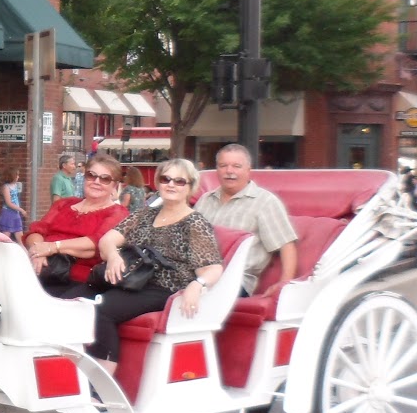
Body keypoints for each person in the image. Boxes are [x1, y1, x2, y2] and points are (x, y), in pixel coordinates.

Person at [70, 158, 224, 365]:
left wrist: (198, 285)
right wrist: (113, 255)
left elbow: (213, 267)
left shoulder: (195, 223)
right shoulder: (144, 214)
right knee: (71, 303)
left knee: (101, 311)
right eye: (166, 178)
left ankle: (100, 386)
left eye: (179, 181)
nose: (171, 184)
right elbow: (108, 240)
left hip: (161, 286)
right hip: (130, 278)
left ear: (190, 188)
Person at [193, 143, 298, 289]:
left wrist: (285, 283)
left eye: (236, 166)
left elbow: (286, 245)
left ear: (248, 170)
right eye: (223, 165)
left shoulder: (264, 201)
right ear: (217, 169)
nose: (229, 171)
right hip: (196, 274)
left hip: (234, 280)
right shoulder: (205, 200)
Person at [24, 152, 128, 297]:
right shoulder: (64, 204)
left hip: (79, 279)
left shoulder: (117, 213)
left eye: (105, 179)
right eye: (91, 175)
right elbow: (37, 231)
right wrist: (38, 252)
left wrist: (52, 247)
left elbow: (95, 244)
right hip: (41, 268)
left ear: (114, 186)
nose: (96, 181)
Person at [0, 173, 26, 243]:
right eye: (17, 175)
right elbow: (9, 203)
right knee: (5, 237)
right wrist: (21, 209)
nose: (18, 176)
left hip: (15, 214)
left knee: (20, 238)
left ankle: (25, 252)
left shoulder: (15, 186)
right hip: (8, 213)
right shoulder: (6, 187)